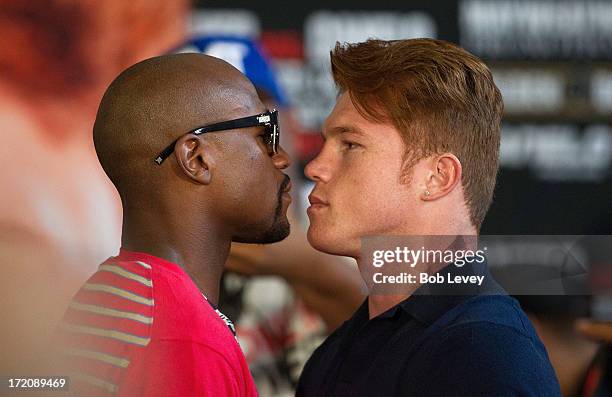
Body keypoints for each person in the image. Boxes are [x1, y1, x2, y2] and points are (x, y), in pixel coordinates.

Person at [296, 38, 561, 396]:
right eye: (326, 143)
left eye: (350, 145)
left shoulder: (482, 353)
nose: (314, 167)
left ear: (436, 178)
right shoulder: (338, 351)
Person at [55, 53, 292, 396]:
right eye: (264, 133)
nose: (281, 157)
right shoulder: (183, 341)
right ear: (196, 158)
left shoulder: (112, 292)